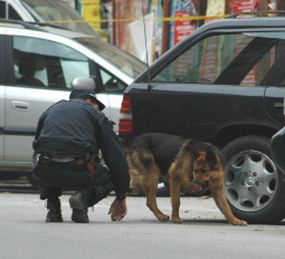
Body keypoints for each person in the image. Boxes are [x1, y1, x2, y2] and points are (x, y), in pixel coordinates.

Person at [32, 77, 131, 223]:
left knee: (45, 157)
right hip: (79, 172)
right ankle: (82, 199)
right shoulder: (96, 116)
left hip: (47, 172)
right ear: (90, 100)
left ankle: (53, 208)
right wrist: (121, 195)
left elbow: (37, 147)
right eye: (97, 104)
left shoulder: (51, 110)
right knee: (109, 178)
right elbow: (116, 158)